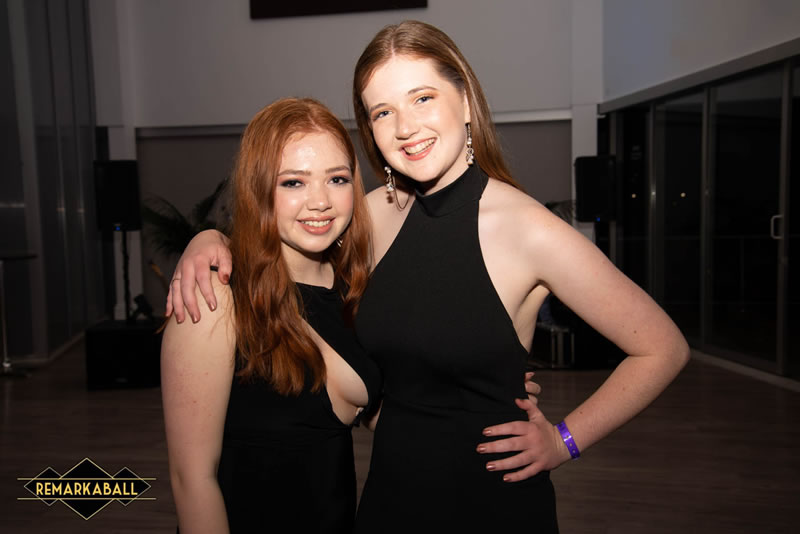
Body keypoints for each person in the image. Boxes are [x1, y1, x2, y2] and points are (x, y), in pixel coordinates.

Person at [167, 21, 689, 532]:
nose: (405, 127)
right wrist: (211, 241)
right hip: (388, 501)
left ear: (465, 101)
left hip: (492, 503)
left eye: (422, 98)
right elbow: (288, 240)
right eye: (383, 111)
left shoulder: (530, 230)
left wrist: (564, 440)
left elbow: (662, 349)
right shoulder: (372, 214)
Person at [161, 97, 382, 533]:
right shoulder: (216, 296)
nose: (320, 201)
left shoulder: (355, 291)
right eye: (293, 182)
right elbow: (192, 480)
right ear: (258, 188)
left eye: (336, 179)